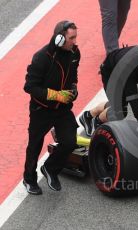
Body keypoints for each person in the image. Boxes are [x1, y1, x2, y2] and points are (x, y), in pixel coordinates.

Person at [23, 20, 80, 195]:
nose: (74, 41)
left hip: (62, 109)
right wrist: (55, 95)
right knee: (35, 146)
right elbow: (30, 87)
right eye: (71, 38)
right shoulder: (42, 57)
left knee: (70, 142)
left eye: (75, 37)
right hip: (41, 110)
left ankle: (50, 168)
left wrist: (73, 90)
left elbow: (73, 75)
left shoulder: (75, 53)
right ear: (59, 39)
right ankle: (29, 179)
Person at [79, 39, 138, 136]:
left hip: (128, 72)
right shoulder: (129, 63)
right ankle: (97, 121)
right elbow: (132, 94)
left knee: (119, 103)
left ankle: (88, 115)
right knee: (120, 111)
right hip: (112, 73)